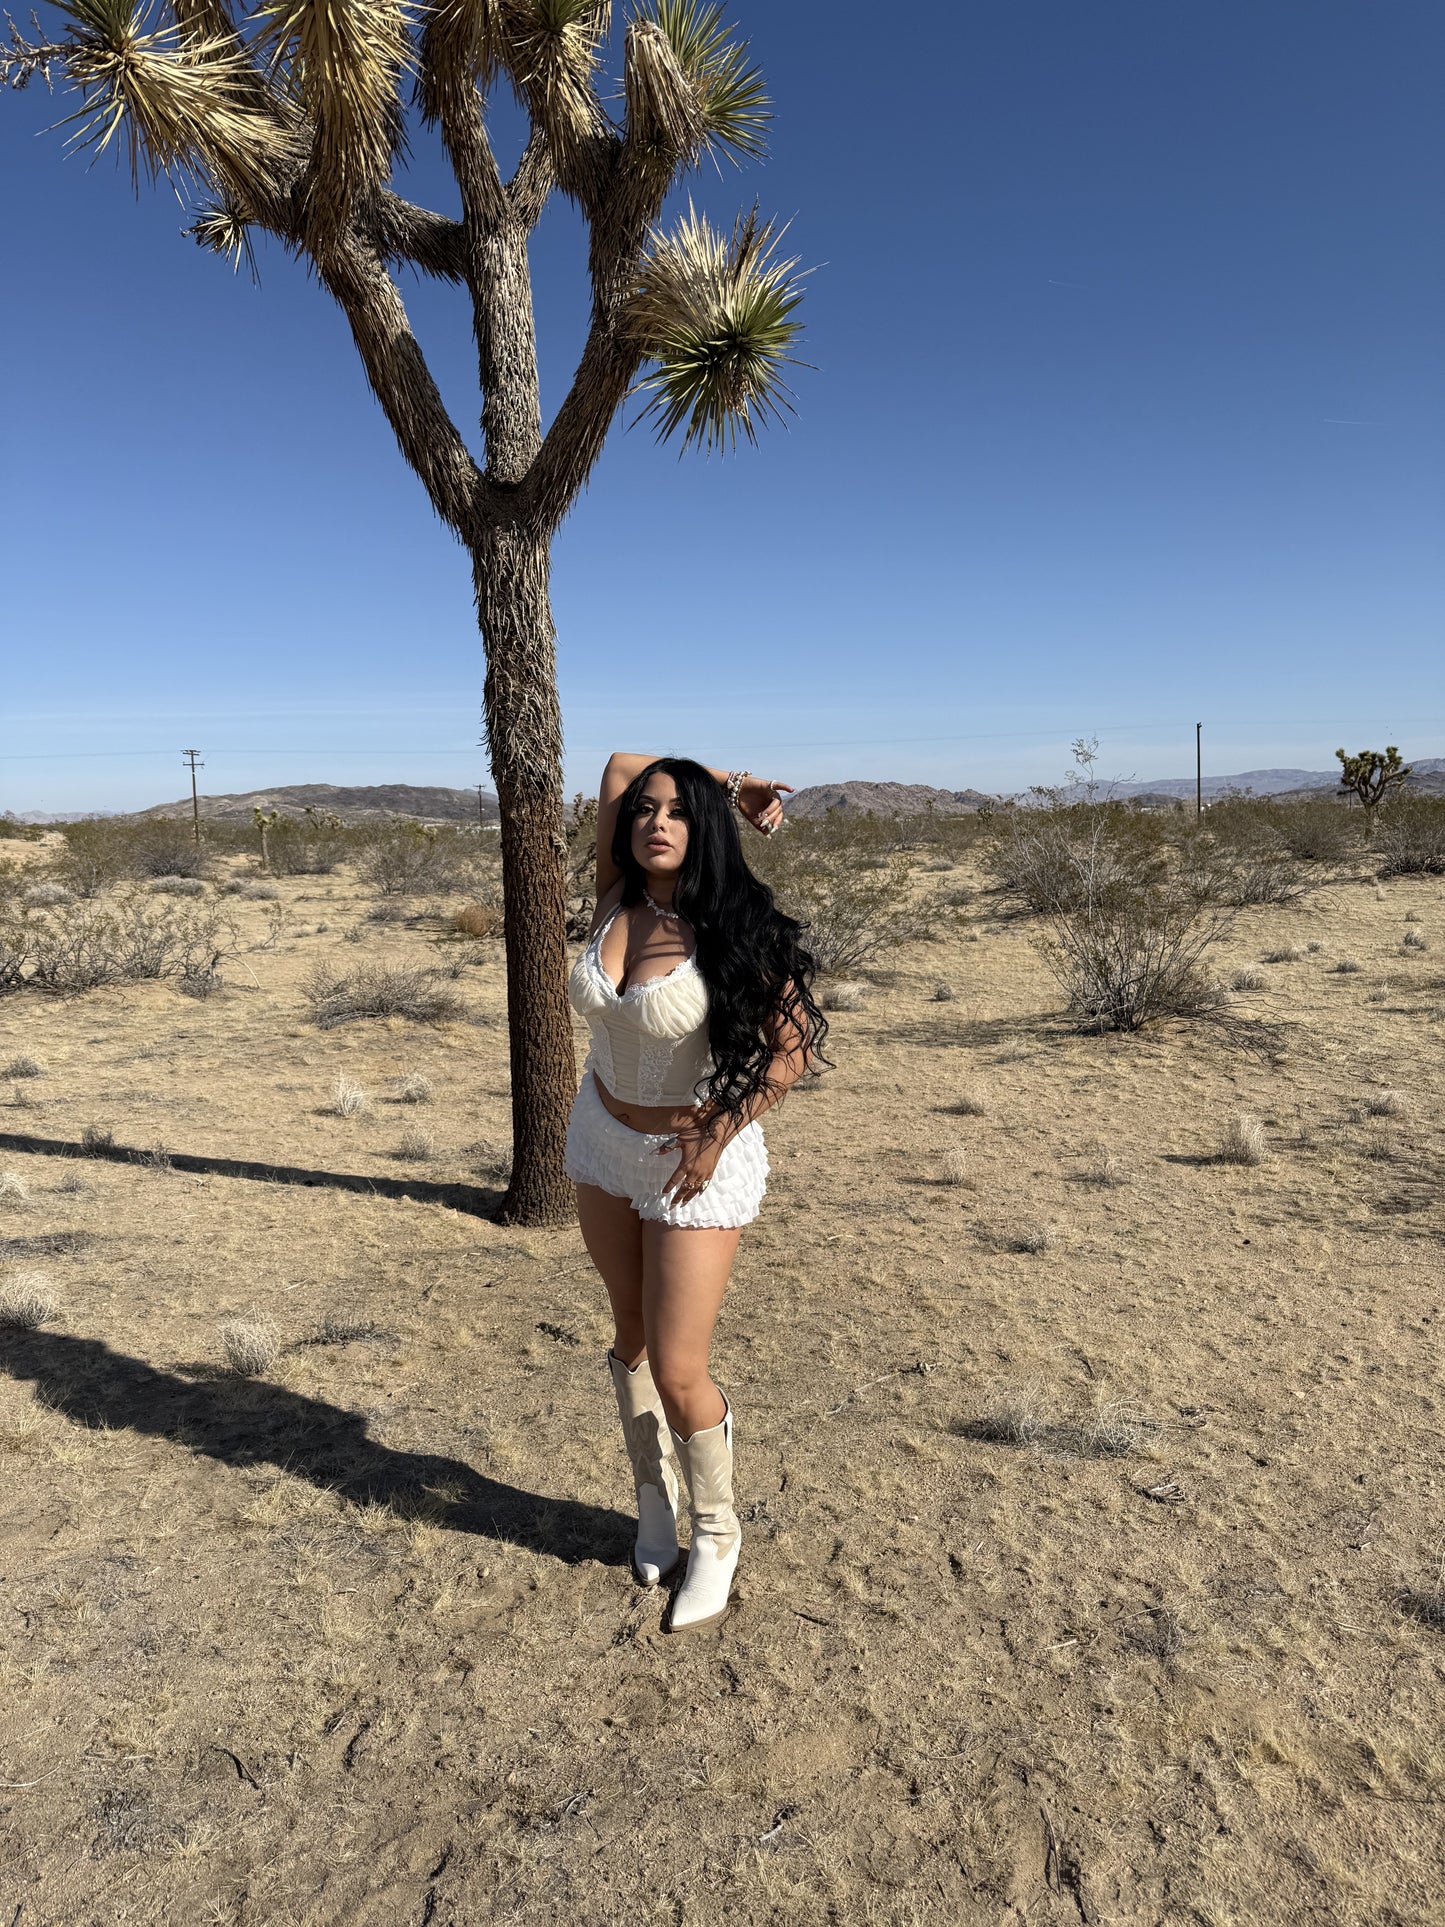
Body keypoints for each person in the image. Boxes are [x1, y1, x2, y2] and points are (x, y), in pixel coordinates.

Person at [565, 754, 831, 1632]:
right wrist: (721, 778)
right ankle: (654, 1502)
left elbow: (791, 1048)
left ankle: (717, 1532)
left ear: (705, 827)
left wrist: (720, 1128)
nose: (655, 822)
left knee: (680, 1367)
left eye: (680, 811)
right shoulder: (613, 894)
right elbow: (619, 763)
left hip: (694, 1159)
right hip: (601, 1141)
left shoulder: (731, 919)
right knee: (630, 1334)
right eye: (646, 810)